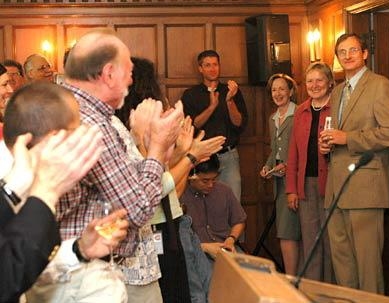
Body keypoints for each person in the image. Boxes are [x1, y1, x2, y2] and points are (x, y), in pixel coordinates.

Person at [27, 29, 184, 303]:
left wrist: (151, 149)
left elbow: (114, 188)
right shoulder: (91, 123)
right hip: (85, 277)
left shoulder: (70, 109)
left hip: (68, 270)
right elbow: (136, 209)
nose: (132, 79)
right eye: (128, 71)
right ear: (109, 74)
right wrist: (156, 149)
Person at [1, 82, 129, 303]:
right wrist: (46, 191)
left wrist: (80, 250)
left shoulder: (18, 177)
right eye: (77, 129)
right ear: (54, 138)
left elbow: (10, 258)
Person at [115, 57, 225, 303]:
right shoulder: (126, 130)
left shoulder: (143, 127)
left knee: (186, 289)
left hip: (171, 221)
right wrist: (189, 156)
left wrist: (184, 154)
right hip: (150, 229)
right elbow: (151, 190)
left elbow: (171, 188)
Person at [319, 33, 389, 294]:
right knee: (343, 263)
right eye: (342, 52)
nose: (347, 55)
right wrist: (326, 146)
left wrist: (348, 138)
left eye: (353, 50)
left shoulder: (379, 85)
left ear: (365, 53)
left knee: (367, 267)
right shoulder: (337, 92)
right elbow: (337, 134)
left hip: (366, 187)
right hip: (336, 188)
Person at [286, 62, 334, 282]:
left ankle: (332, 291)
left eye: (319, 80)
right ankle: (312, 291)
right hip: (305, 184)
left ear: (330, 82)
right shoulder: (301, 110)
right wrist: (291, 189)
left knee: (332, 241)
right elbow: (293, 152)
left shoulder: (338, 106)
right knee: (310, 240)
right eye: (310, 81)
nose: (314, 85)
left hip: (332, 183)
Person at [181, 50, 248, 202]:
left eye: (215, 64)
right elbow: (192, 126)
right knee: (205, 205)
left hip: (229, 156)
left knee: (233, 202)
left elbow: (240, 124)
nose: (212, 69)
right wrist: (212, 107)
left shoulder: (231, 91)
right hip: (203, 158)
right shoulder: (191, 94)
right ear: (200, 68)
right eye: (208, 65)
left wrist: (229, 101)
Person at [259, 73, 300, 276]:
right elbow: (274, 150)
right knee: (286, 232)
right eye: (274, 90)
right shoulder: (272, 118)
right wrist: (267, 167)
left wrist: (289, 165)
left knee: (288, 233)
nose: (278, 93)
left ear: (291, 91)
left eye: (282, 88)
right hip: (279, 183)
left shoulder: (300, 114)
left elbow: (302, 149)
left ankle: (292, 281)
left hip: (296, 181)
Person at [181, 154, 247, 258]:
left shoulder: (224, 190)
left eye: (214, 179)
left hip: (225, 249)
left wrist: (231, 239)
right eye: (205, 181)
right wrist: (204, 247)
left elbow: (239, 221)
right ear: (191, 177)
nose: (211, 185)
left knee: (247, 272)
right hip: (196, 253)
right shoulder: (180, 196)